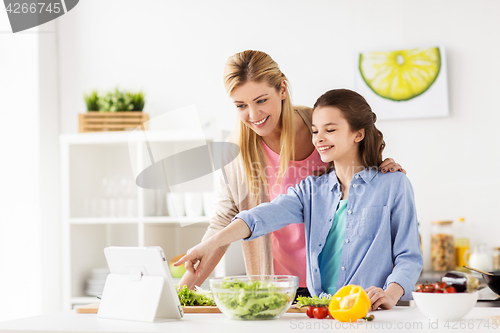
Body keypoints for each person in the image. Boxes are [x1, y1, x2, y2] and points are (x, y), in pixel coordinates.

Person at [178, 51, 405, 299]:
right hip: (279, 287)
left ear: (282, 89)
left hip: (340, 283)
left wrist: (383, 168)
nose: (253, 115)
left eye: (261, 100)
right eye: (241, 105)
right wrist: (180, 294)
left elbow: (361, 169)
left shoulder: (322, 127)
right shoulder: (236, 154)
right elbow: (226, 224)